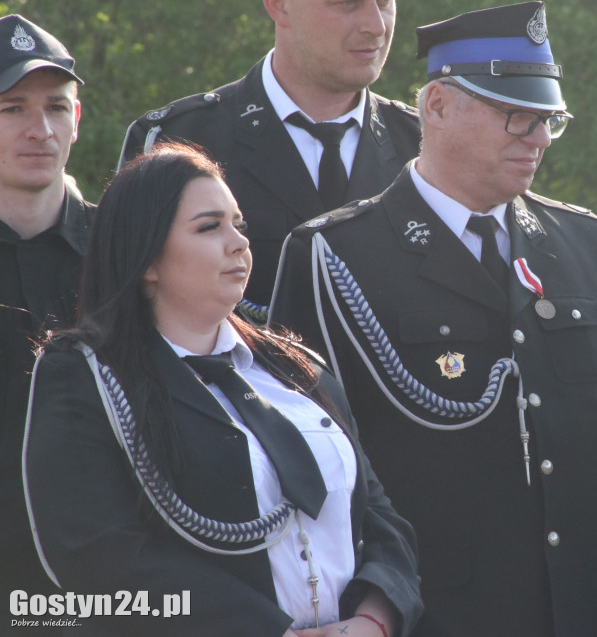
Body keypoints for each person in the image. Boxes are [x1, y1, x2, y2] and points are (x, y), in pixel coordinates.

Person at [269, 1, 597, 636]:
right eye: (516, 118)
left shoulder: (585, 244)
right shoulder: (335, 255)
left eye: (548, 120)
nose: (538, 139)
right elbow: (306, 472)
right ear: (436, 106)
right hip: (436, 614)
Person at [23, 142, 422, 636]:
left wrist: (374, 620)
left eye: (240, 225)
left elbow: (380, 519)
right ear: (146, 257)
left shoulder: (298, 369)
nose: (238, 243)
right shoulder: (86, 375)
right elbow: (96, 553)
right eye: (210, 227)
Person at [119, 0, 419, 311]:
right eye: (348, 2)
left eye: (386, 0)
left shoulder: (426, 147)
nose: (377, 26)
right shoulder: (177, 139)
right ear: (279, 3)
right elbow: (126, 313)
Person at [0, 14, 91, 627]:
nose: (40, 130)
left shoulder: (136, 255)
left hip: (113, 587)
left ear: (77, 121)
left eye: (56, 107)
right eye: (11, 109)